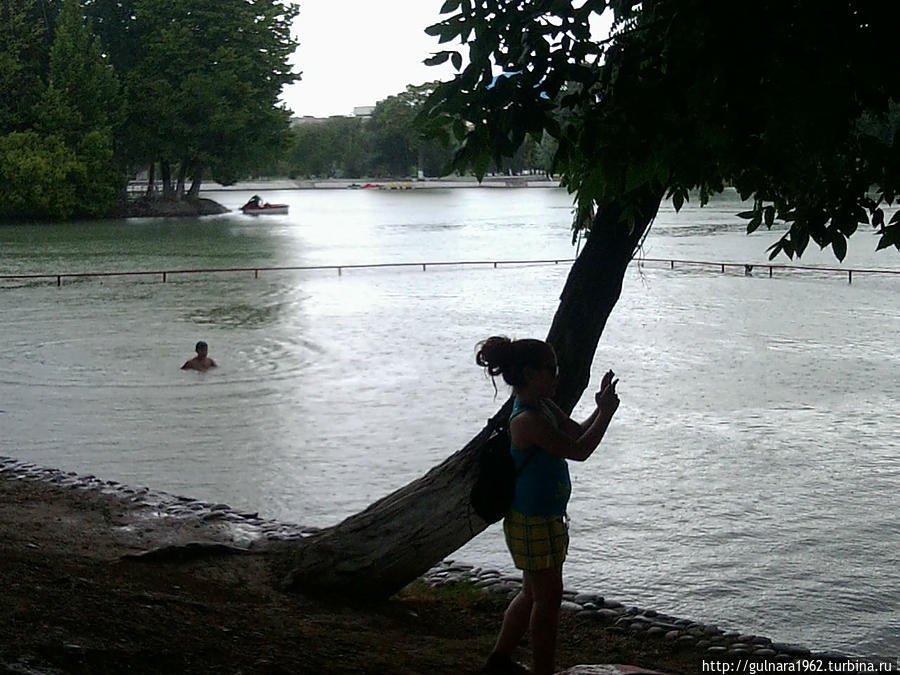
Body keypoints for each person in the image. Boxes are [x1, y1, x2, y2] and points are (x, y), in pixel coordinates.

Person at [475, 336, 620, 675]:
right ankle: (542, 670)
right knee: (548, 599)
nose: (557, 378)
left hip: (544, 518)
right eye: (551, 371)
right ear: (529, 373)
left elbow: (574, 434)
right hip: (532, 521)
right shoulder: (527, 419)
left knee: (531, 594)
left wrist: (599, 409)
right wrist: (608, 415)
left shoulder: (543, 406)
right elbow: (580, 450)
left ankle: (498, 662)